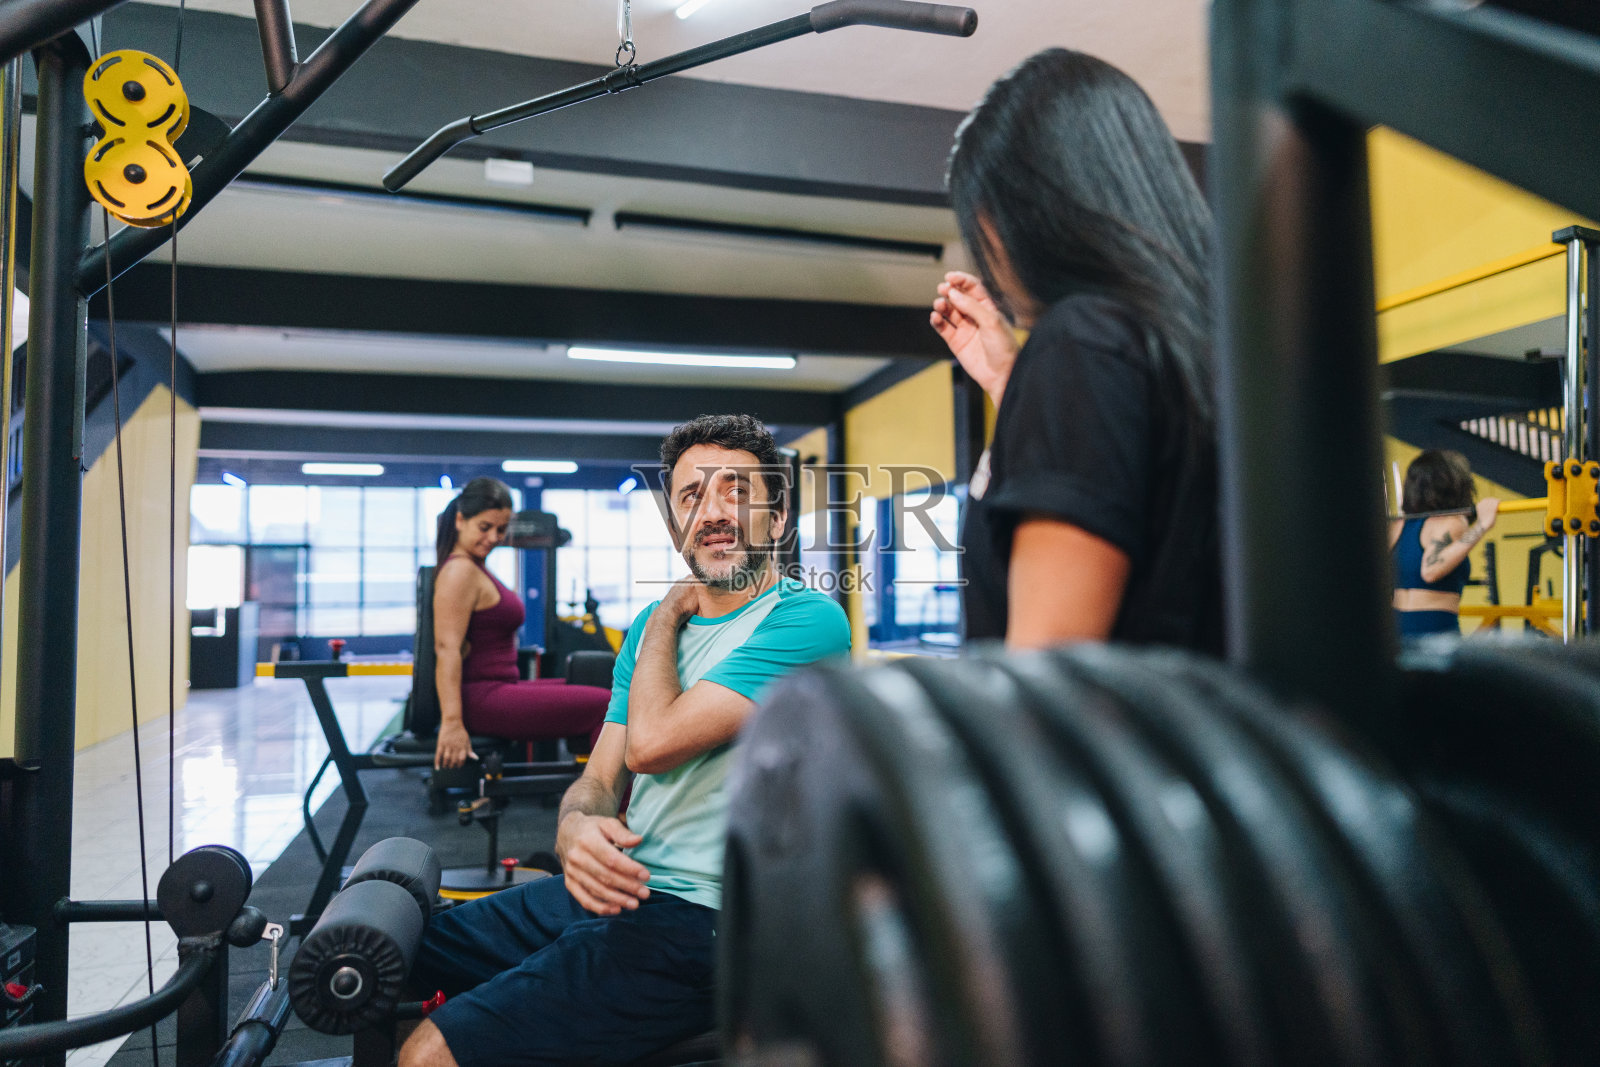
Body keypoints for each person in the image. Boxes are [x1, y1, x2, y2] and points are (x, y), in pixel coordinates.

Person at [400, 415, 852, 1067]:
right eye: (692, 496)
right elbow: (602, 776)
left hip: (710, 919)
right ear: (676, 525)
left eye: (737, 491)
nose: (714, 511)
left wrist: (668, 613)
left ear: (777, 521)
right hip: (625, 888)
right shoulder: (646, 628)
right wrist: (575, 826)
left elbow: (651, 745)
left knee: (427, 1057)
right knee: (409, 953)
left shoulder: (806, 619)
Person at [930, 48, 1223, 653]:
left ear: (1021, 214)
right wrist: (1016, 388)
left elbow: (1050, 662)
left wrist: (1051, 374)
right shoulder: (1206, 342)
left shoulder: (1082, 337)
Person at [431, 477, 609, 770]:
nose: (493, 537)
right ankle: (622, 809)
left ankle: (592, 775)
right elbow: (446, 649)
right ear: (461, 520)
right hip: (484, 699)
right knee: (606, 705)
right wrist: (452, 723)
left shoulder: (474, 567)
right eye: (484, 527)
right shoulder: (459, 571)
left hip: (501, 688)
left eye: (500, 529)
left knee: (598, 684)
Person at [1389, 449, 1499, 638]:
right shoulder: (1452, 521)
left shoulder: (1397, 526)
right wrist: (1482, 525)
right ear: (1456, 485)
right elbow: (1430, 571)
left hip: (1395, 629)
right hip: (1433, 631)